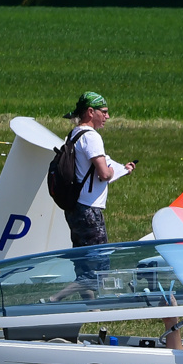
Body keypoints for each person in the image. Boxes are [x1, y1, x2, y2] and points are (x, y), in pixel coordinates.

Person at [64, 91, 135, 249]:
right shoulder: (91, 137)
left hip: (74, 206)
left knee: (81, 259)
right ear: (90, 112)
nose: (107, 116)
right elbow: (104, 174)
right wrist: (112, 170)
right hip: (89, 208)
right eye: (104, 112)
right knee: (97, 261)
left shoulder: (74, 134)